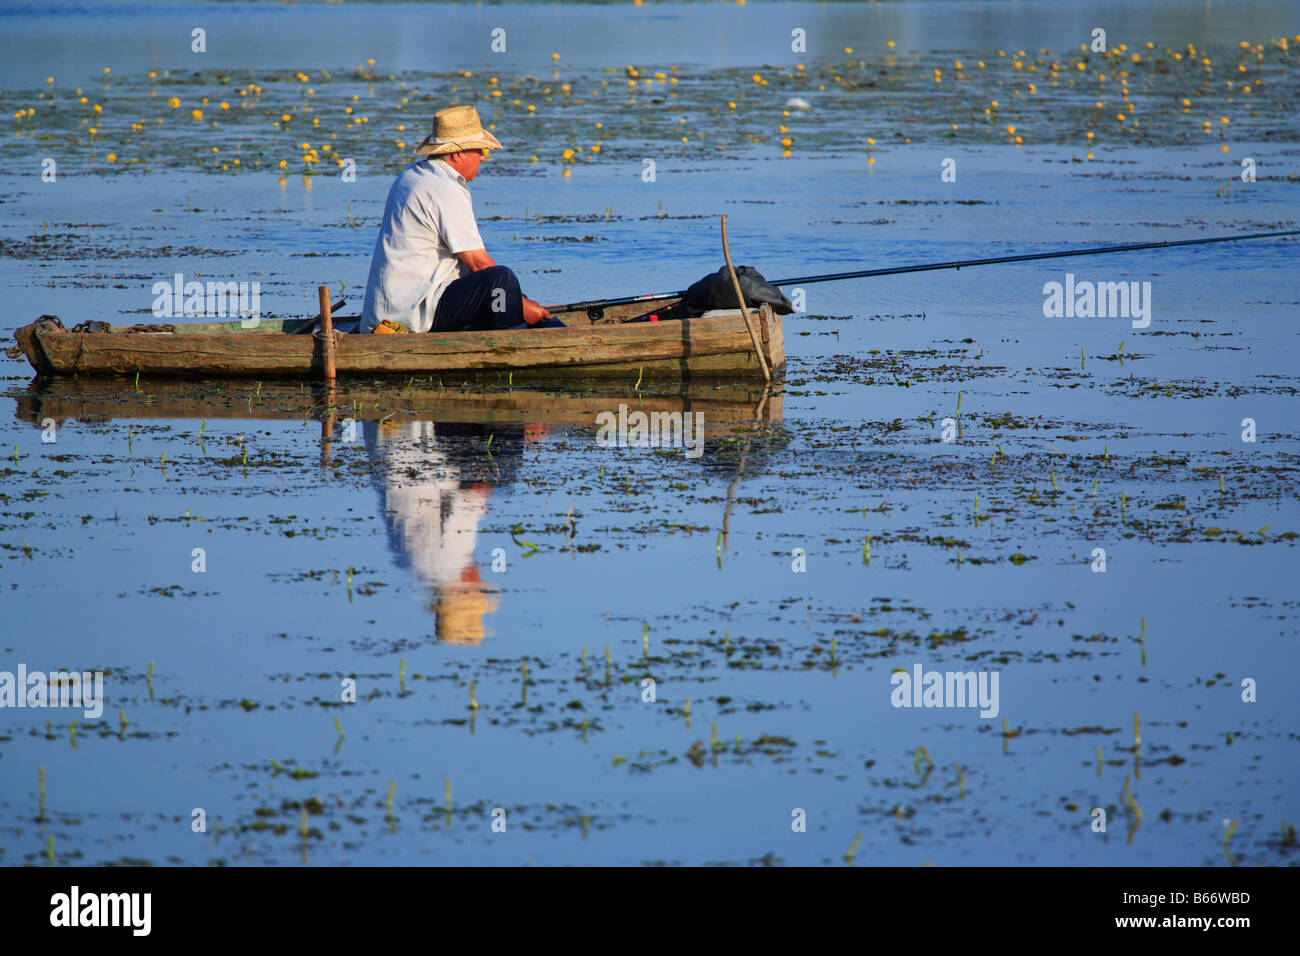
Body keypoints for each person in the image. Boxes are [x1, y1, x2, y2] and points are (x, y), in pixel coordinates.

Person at [360, 105, 562, 334]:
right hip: (416, 312)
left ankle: (510, 328)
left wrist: (517, 302)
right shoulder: (444, 189)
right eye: (479, 150)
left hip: (394, 308)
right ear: (458, 154)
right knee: (500, 281)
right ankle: (512, 344)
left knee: (498, 291)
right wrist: (523, 305)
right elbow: (477, 263)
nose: (484, 158)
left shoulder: (412, 175)